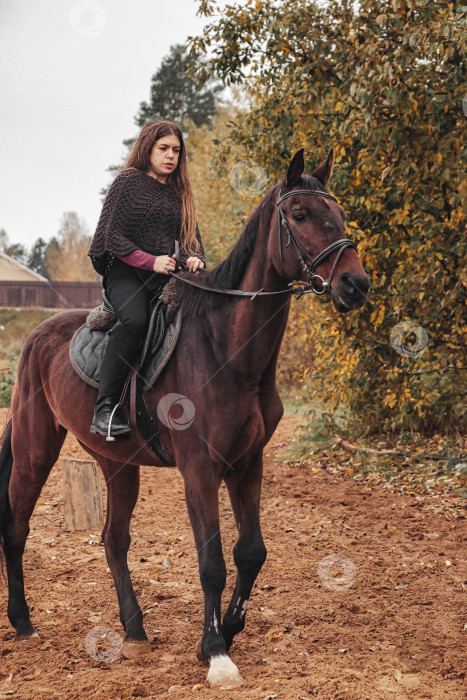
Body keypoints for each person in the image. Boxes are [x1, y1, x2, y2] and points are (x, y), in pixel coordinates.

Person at [87, 119, 205, 439]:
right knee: (136, 321)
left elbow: (192, 240)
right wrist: (150, 261)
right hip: (125, 273)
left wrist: (194, 258)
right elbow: (112, 237)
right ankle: (106, 409)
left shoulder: (180, 193)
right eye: (163, 148)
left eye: (176, 151)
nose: (170, 156)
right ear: (148, 149)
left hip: (165, 275)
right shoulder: (128, 182)